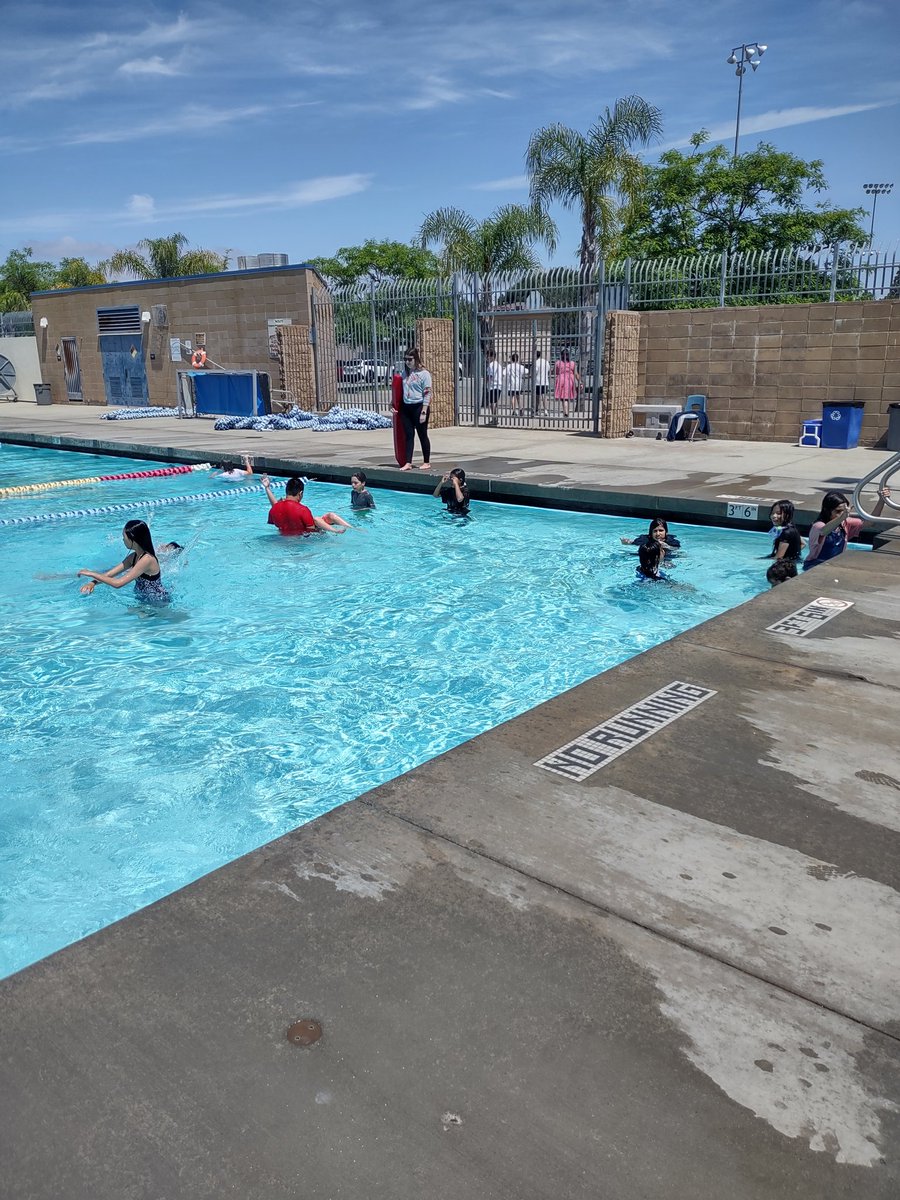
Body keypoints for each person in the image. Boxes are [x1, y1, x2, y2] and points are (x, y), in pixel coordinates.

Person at [78, 519, 170, 603]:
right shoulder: (133, 557)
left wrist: (91, 573)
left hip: (158, 602)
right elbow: (109, 574)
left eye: (124, 536)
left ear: (133, 539)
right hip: (143, 600)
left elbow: (118, 583)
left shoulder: (147, 559)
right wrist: (92, 583)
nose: (123, 539)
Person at [803, 486, 890, 571]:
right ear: (827, 510)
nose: (841, 514)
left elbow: (870, 522)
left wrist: (881, 501)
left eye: (843, 511)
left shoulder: (845, 523)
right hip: (814, 566)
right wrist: (842, 517)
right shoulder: (818, 526)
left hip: (833, 565)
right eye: (838, 511)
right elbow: (824, 531)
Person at [262, 474, 349, 536]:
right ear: (300, 493)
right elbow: (310, 533)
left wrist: (267, 488)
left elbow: (276, 506)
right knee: (325, 517)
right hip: (302, 540)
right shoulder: (303, 510)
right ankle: (347, 530)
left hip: (283, 539)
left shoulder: (274, 510)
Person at [399, 348, 432, 472]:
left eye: (410, 359)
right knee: (409, 435)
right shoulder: (405, 373)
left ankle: (426, 462)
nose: (407, 362)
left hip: (419, 407)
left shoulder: (424, 374)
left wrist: (424, 411)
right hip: (407, 407)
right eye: (405, 359)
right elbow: (401, 390)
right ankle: (408, 462)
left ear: (416, 358)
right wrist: (393, 402)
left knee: (422, 435)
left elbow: (427, 393)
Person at [554, 348, 580, 418]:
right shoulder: (573, 363)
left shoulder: (558, 363)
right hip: (570, 380)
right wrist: (580, 382)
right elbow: (576, 374)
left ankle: (565, 411)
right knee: (567, 397)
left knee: (563, 397)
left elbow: (555, 371)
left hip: (561, 379)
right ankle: (566, 411)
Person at [504, 352, 526, 417]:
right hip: (518, 384)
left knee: (512, 397)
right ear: (517, 359)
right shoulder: (520, 366)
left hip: (511, 385)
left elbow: (504, 373)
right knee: (518, 397)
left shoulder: (509, 366)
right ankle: (520, 409)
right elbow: (527, 371)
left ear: (512, 359)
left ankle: (514, 410)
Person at [484, 349, 502, 426]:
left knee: (492, 403)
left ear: (491, 356)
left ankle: (494, 418)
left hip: (493, 386)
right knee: (495, 402)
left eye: (487, 356)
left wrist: (486, 380)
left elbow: (490, 376)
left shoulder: (491, 365)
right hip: (499, 385)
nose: (486, 358)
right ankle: (494, 417)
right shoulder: (498, 365)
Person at [531, 349, 550, 416]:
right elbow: (548, 370)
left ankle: (536, 410)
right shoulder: (546, 362)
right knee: (544, 396)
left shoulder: (536, 362)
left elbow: (534, 372)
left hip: (537, 382)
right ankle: (545, 410)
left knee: (537, 397)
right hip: (545, 381)